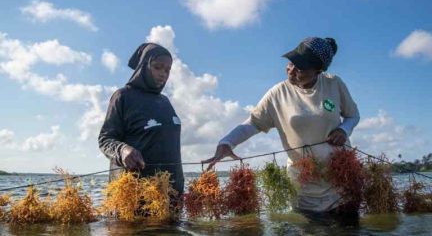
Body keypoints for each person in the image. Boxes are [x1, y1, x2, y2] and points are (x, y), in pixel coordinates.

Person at [203, 37, 360, 213]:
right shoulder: (278, 93)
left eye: (300, 68)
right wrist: (227, 142)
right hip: (304, 183)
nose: (291, 70)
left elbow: (353, 116)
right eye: (291, 63)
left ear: (318, 71)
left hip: (340, 180)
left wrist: (343, 130)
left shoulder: (334, 84)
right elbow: (253, 124)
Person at [98, 43, 184, 196]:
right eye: (158, 67)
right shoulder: (123, 96)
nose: (163, 74)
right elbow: (105, 140)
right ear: (144, 66)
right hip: (134, 194)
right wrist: (122, 150)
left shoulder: (165, 101)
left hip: (170, 193)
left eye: (167, 70)